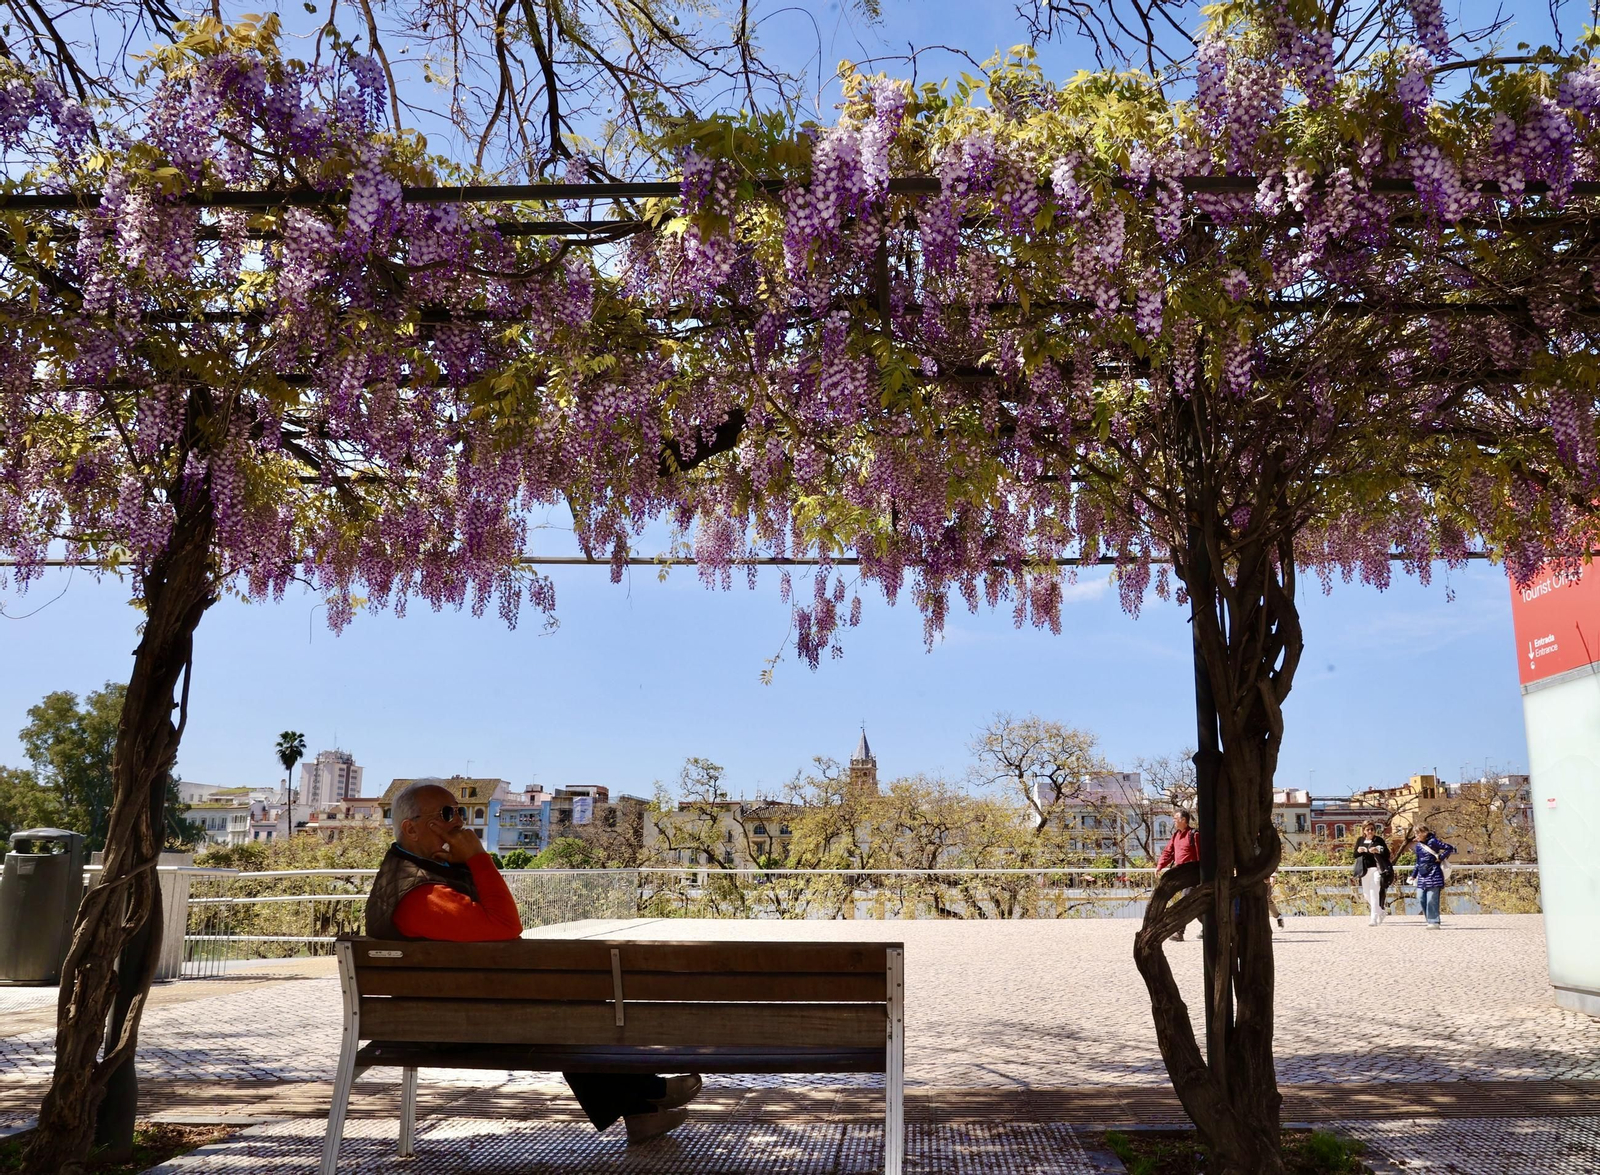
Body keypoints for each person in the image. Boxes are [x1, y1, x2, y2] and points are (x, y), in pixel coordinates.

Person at [365, 781, 702, 1143]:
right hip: (445, 1025)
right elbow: (506, 925)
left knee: (568, 1008)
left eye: (460, 813)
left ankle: (642, 1107)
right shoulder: (419, 893)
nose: (458, 823)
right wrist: (478, 856)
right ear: (410, 828)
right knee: (570, 1013)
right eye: (446, 814)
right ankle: (646, 1096)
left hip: (448, 1013)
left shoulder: (417, 876)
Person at [1156, 809, 1201, 941]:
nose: (1173, 821)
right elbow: (1168, 852)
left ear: (1183, 820)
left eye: (1175, 819)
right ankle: (1208, 927)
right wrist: (1160, 865)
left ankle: (1179, 932)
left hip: (1192, 876)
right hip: (1180, 875)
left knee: (1184, 902)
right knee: (1196, 904)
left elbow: (1201, 856)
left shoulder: (1194, 835)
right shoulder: (1176, 835)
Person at [1403, 823, 1455, 930]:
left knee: (1432, 898)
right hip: (1422, 874)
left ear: (1425, 833)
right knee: (1421, 897)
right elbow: (1418, 862)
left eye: (1418, 833)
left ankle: (1434, 921)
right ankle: (1429, 919)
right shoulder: (1418, 846)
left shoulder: (1433, 841)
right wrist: (1413, 875)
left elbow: (1449, 848)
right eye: (1415, 833)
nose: (1416, 835)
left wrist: (1440, 857)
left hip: (1434, 873)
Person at [1351, 821, 1394, 925]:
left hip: (1377, 869)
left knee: (1374, 892)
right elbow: (1355, 855)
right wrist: (1359, 850)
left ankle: (1373, 918)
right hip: (1365, 870)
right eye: (1368, 829)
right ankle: (1381, 911)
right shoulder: (1360, 840)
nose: (1370, 831)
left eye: (1372, 829)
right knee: (1366, 894)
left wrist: (1378, 850)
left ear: (1374, 830)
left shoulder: (1378, 840)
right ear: (1364, 831)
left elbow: (1387, 853)